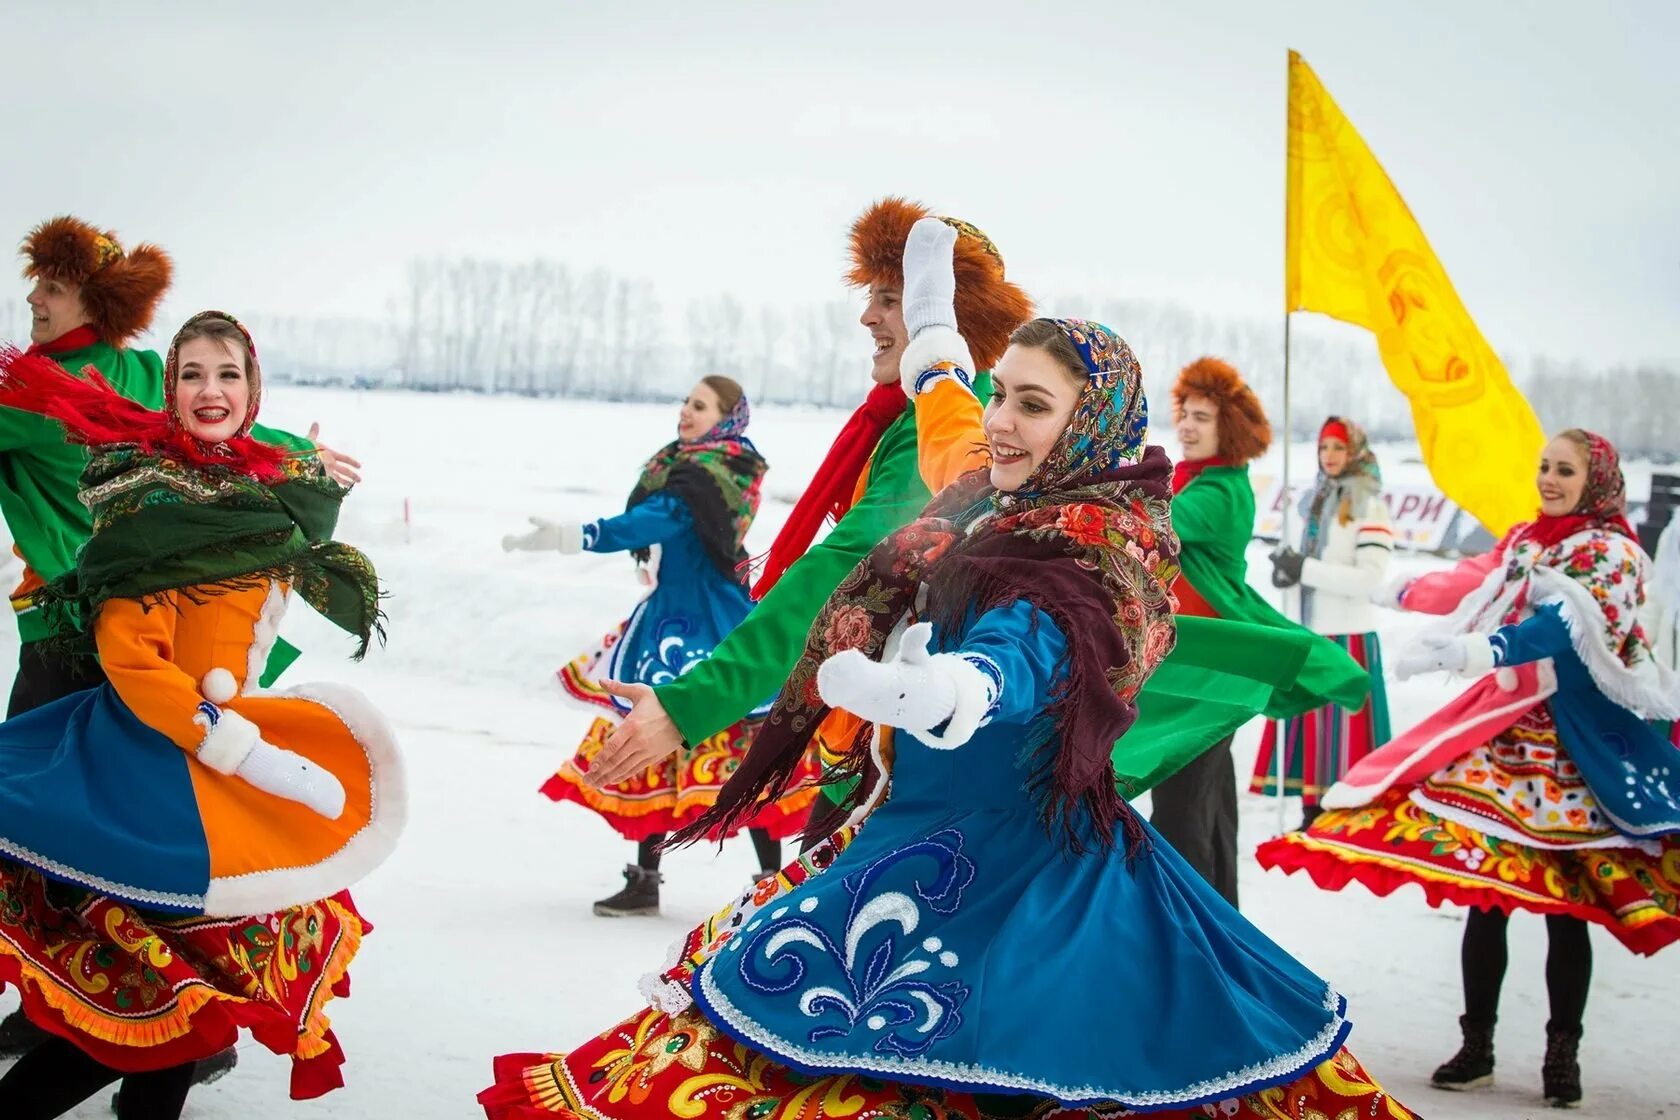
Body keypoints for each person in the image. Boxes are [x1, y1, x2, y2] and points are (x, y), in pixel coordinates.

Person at [479, 315, 1418, 1120]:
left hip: (1024, 876)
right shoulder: (991, 502)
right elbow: (950, 419)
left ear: (1092, 425)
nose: (1002, 421)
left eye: (1032, 405)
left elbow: (1038, 644)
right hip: (912, 839)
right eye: (999, 392)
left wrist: (953, 690)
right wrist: (929, 342)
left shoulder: (1093, 550)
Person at [0, 312, 403, 1119]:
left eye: (228, 374)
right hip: (158, 763)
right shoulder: (149, 497)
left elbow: (272, 480)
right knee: (153, 1009)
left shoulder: (252, 485)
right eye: (190, 375)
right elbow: (130, 654)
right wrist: (238, 748)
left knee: (192, 1001)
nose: (209, 390)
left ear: (254, 390)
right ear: (168, 391)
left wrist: (305, 461)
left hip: (209, 763)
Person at [1258, 429, 1680, 1109]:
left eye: (1563, 470)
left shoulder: (1612, 556)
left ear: (1596, 479)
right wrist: (1403, 589)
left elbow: (1561, 633)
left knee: (1566, 910)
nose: (1548, 479)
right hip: (1506, 741)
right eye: (1543, 466)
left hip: (1578, 751)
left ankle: (1560, 1054)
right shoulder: (1530, 542)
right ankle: (1476, 1044)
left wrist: (1480, 649)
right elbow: (1476, 578)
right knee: (1487, 890)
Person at [578, 199, 1033, 818]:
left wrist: (694, 701)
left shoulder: (946, 427)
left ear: (949, 319)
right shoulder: (903, 417)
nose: (867, 315)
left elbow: (852, 563)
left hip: (906, 748)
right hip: (884, 725)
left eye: (893, 300)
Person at [502, 377, 818, 914]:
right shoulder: (700, 469)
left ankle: (765, 881)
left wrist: (573, 535)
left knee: (736, 749)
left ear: (726, 418)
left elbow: (651, 522)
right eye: (684, 402)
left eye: (699, 406)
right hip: (676, 615)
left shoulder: (704, 476)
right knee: (658, 740)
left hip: (699, 620)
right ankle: (659, 879)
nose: (685, 412)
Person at [1148, 361, 1368, 905]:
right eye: (1185, 415)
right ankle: (1221, 922)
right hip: (1194, 674)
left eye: (1203, 418)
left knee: (1181, 813)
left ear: (1231, 430)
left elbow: (1154, 520)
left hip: (1207, 680)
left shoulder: (1218, 491)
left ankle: (1196, 933)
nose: (1189, 427)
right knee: (1206, 804)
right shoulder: (1199, 477)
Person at [1254, 416, 1394, 827]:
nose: (1329, 456)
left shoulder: (1369, 503)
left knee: (1344, 730)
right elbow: (1302, 560)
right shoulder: (1311, 500)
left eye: (1338, 448)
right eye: (1323, 448)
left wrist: (1306, 569)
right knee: (1311, 727)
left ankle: (1348, 811)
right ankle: (1311, 810)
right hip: (1310, 629)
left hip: (1347, 635)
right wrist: (1287, 571)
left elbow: (1369, 578)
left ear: (1356, 452)